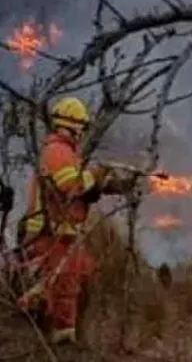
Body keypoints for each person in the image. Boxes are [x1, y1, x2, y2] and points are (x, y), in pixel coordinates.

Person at [15, 97, 133, 346]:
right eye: (81, 127)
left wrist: (112, 185)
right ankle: (61, 339)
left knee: (80, 276)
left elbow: (81, 187)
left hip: (63, 231)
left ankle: (46, 323)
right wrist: (95, 175)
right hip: (50, 233)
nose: (82, 133)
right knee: (64, 284)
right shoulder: (57, 151)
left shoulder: (65, 152)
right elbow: (71, 185)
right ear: (74, 126)